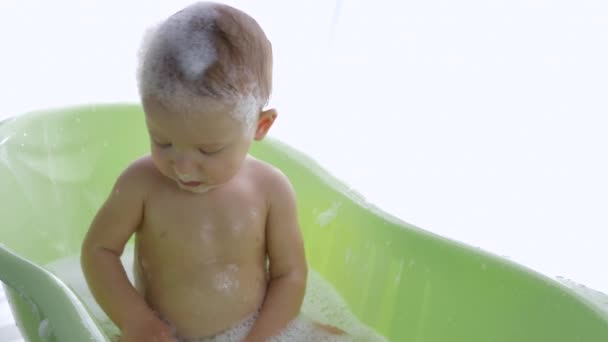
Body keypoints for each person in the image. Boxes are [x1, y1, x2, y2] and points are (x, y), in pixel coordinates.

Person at [81, 2, 348, 341]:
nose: (182, 166)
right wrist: (137, 321)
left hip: (251, 331)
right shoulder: (141, 185)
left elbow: (290, 275)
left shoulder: (270, 190)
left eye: (208, 150)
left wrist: (263, 335)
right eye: (162, 141)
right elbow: (99, 251)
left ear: (260, 126)